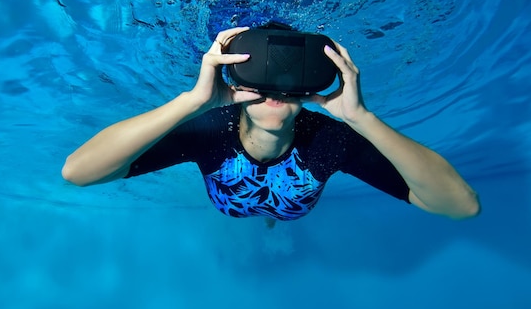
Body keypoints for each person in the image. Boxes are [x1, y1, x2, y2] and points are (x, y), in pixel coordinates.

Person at [62, 26, 480, 221]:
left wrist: (362, 118)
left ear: (307, 90)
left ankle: (270, 220)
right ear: (235, 82)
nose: (275, 89)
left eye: (289, 82)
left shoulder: (332, 140)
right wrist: (190, 102)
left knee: (274, 215)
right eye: (259, 77)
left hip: (273, 206)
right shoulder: (208, 128)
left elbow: (460, 206)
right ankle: (268, 220)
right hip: (241, 204)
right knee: (270, 215)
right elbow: (78, 173)